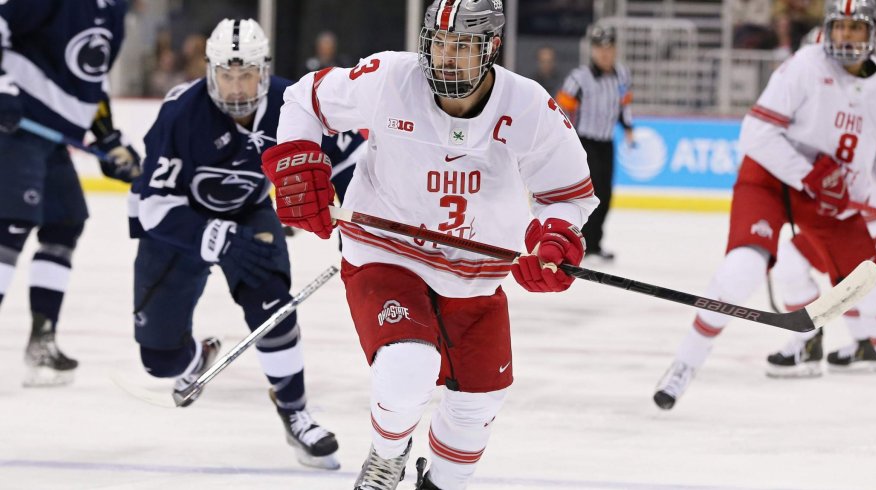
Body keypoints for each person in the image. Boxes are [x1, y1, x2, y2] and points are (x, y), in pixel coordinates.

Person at [262, 1, 598, 488]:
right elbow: (303, 99)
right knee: (408, 365)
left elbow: (568, 195)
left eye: (462, 46)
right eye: (439, 43)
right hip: (384, 252)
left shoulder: (528, 107)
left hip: (475, 275)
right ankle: (386, 455)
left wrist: (554, 239)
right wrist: (296, 159)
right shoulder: (391, 79)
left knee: (476, 408)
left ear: (491, 48)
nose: (446, 56)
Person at [129, 18, 364, 470]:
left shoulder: (292, 101)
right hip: (179, 225)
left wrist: (360, 214)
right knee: (160, 361)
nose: (236, 87)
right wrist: (215, 238)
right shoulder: (182, 111)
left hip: (249, 213)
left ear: (264, 69)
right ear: (210, 70)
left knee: (274, 308)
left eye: (247, 74)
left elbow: (349, 160)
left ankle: (296, 412)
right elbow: (151, 208)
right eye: (226, 74)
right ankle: (196, 356)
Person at [653, 0, 876, 410]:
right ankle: (684, 364)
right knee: (742, 270)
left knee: (873, 290)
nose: (844, 36)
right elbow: (755, 133)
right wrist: (808, 174)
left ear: (873, 33)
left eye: (854, 28)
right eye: (837, 27)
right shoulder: (806, 66)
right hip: (773, 178)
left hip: (830, 195)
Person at [0, 0, 140, 387]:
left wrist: (109, 137)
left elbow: (94, 81)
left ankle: (41, 341)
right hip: (14, 130)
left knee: (65, 223)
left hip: (50, 140)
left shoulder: (113, 10)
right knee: (10, 225)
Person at [764, 192, 876, 377]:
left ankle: (810, 345)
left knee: (795, 260)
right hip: (857, 206)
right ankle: (865, 345)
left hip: (860, 209)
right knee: (799, 261)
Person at [556, 22, 634, 262]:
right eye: (600, 48)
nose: (604, 53)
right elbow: (560, 111)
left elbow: (624, 104)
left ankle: (596, 243)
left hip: (607, 142)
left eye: (609, 47)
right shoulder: (578, 79)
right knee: (589, 194)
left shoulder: (622, 74)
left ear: (615, 49)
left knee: (606, 194)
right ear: (592, 50)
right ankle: (584, 244)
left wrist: (628, 127)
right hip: (584, 143)